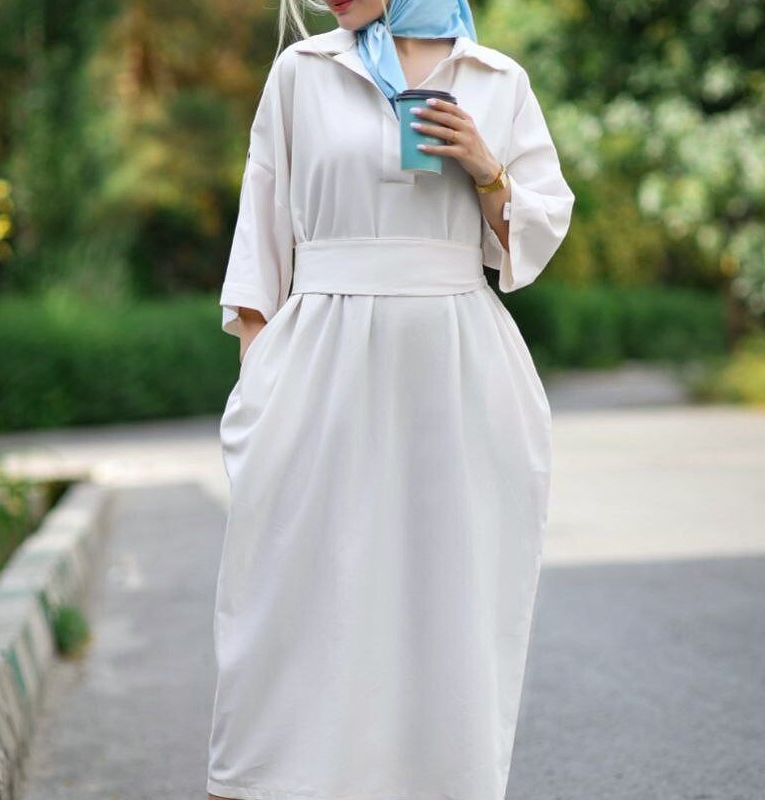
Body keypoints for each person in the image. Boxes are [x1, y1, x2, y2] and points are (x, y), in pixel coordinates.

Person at [207, 1, 575, 799]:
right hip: (317, 366)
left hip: (458, 373)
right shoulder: (303, 73)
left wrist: (487, 169)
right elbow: (259, 244)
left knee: (445, 608)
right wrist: (261, 393)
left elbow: (530, 242)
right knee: (288, 610)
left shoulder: (496, 79)